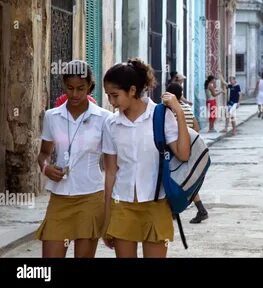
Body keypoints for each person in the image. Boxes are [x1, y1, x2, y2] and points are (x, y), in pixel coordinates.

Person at [102, 58, 190, 258]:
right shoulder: (111, 124)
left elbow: (184, 153)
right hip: (122, 205)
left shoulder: (160, 115)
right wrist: (106, 220)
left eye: (115, 95)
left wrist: (178, 111)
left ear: (132, 91)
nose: (111, 102)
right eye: (108, 96)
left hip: (156, 204)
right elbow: (110, 173)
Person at [36, 60, 112, 258]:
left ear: (89, 87)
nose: (75, 94)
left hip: (91, 197)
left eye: (81, 88)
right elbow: (44, 153)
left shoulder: (104, 118)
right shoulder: (52, 116)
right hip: (59, 197)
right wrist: (46, 168)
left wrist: (111, 208)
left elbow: (113, 165)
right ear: (64, 85)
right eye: (70, 88)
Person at [166, 83, 208, 224]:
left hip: (177, 150)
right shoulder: (187, 109)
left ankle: (173, 209)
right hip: (190, 149)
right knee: (187, 180)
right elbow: (196, 127)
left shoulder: (171, 111)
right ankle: (200, 209)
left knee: (177, 180)